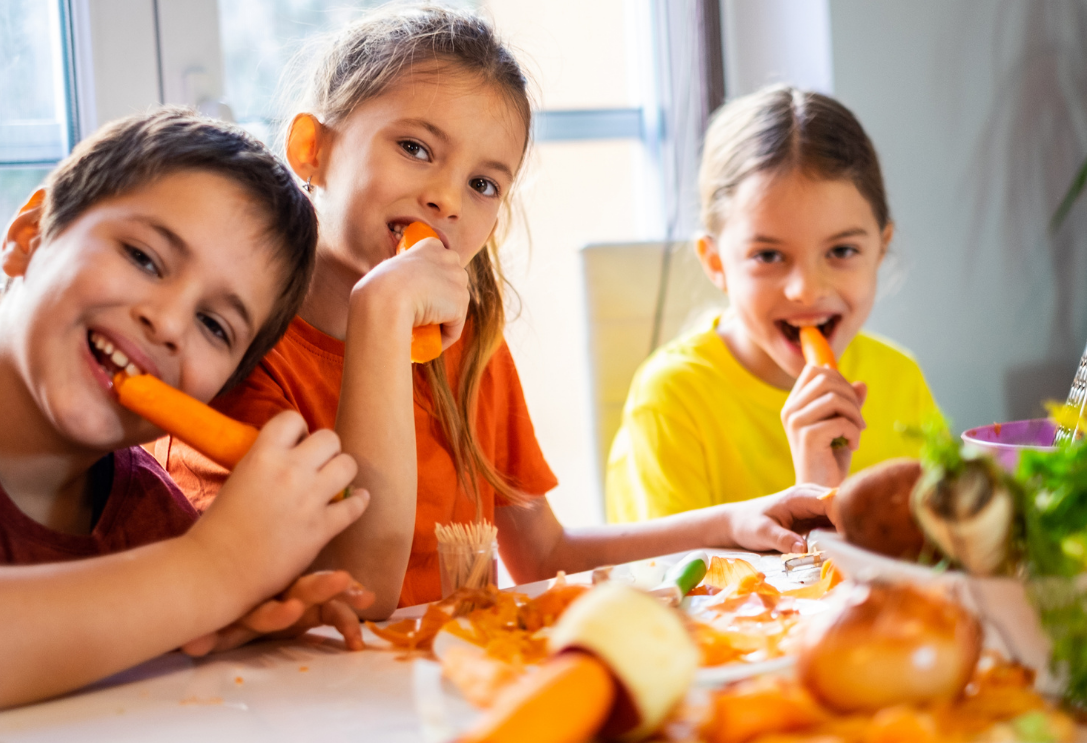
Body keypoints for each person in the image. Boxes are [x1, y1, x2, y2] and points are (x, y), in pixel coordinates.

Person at [160, 7, 833, 619]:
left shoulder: (471, 344)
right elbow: (356, 592)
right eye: (415, 148)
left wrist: (733, 522)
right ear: (315, 149)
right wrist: (383, 317)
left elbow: (543, 556)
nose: (448, 200)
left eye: (484, 184)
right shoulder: (235, 355)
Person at [0, 109, 373, 719]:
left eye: (214, 325)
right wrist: (206, 576)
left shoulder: (152, 520)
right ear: (30, 238)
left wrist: (208, 626)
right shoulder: (186, 555)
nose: (167, 323)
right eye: (144, 258)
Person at [605, 86, 940, 524]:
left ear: (881, 249)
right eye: (768, 256)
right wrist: (816, 495)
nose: (805, 289)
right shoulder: (671, 400)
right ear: (716, 262)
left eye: (841, 251)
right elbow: (668, 588)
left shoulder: (901, 378)